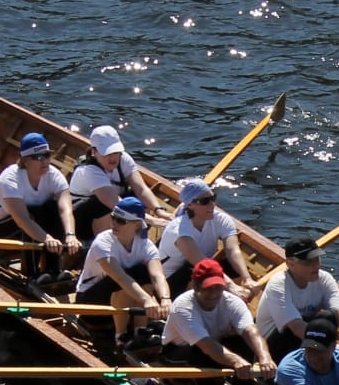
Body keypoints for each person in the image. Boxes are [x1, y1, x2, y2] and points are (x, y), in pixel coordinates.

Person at [0, 132, 78, 285]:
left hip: (34, 224)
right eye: (39, 157)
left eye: (47, 155)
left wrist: (70, 235)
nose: (45, 161)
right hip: (1, 229)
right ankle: (31, 274)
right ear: (26, 161)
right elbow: (23, 220)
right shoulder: (10, 179)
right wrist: (48, 239)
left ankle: (54, 270)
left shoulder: (54, 175)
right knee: (32, 214)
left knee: (53, 208)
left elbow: (65, 209)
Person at [74, 198, 166, 353]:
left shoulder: (145, 245)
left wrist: (165, 299)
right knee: (124, 278)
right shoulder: (103, 241)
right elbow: (120, 278)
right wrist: (147, 300)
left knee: (143, 272)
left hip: (123, 304)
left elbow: (158, 275)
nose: (114, 224)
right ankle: (121, 336)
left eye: (121, 220)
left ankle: (140, 331)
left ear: (137, 224)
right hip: (90, 307)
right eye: (113, 218)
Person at [161, 259, 274, 380]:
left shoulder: (232, 301)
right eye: (208, 288)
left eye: (218, 287)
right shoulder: (183, 307)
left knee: (243, 342)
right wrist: (236, 361)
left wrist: (265, 357)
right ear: (195, 286)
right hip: (177, 354)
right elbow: (207, 346)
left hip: (213, 347)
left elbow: (251, 331)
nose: (214, 294)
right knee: (201, 353)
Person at [254, 236, 339, 361]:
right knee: (292, 331)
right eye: (308, 262)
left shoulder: (324, 278)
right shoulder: (278, 285)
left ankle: (323, 361)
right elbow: (297, 327)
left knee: (328, 317)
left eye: (317, 259)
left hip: (307, 340)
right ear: (290, 263)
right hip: (274, 345)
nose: (316, 265)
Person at [158, 179, 255, 296]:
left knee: (231, 266)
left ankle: (230, 299)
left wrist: (247, 278)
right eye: (205, 201)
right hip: (168, 284)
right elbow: (202, 262)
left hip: (204, 269)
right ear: (190, 205)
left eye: (213, 199)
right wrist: (232, 287)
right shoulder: (179, 231)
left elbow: (232, 250)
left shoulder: (222, 220)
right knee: (193, 270)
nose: (212, 205)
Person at [69, 122, 160, 238]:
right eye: (106, 153)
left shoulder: (124, 159)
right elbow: (115, 203)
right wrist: (153, 221)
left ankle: (133, 239)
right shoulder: (89, 171)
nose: (112, 157)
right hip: (82, 223)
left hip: (115, 214)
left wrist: (159, 210)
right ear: (94, 152)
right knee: (102, 205)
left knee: (136, 199)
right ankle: (99, 243)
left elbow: (141, 189)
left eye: (115, 152)